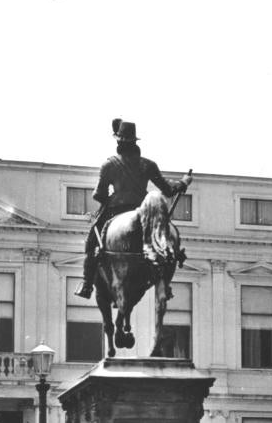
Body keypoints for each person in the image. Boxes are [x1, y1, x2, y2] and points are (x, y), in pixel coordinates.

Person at [74, 119, 192, 299]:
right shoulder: (148, 165)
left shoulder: (109, 164)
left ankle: (87, 284)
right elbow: (168, 190)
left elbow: (98, 194)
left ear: (119, 142)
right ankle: (166, 284)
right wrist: (183, 183)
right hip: (143, 210)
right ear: (135, 142)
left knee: (92, 243)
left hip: (115, 209)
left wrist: (111, 200)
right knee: (167, 239)